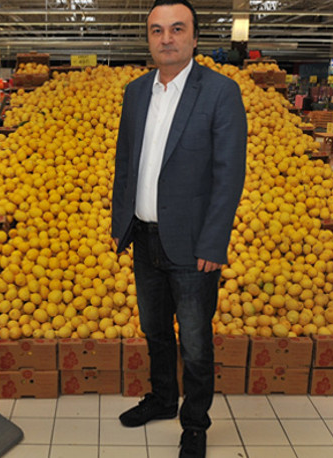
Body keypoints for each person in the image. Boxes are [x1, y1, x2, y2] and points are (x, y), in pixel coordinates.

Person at [110, 1, 247, 457]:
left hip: (192, 245)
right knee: (154, 329)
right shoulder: (134, 92)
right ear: (147, 38)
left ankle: (195, 423)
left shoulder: (220, 92)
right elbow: (125, 163)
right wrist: (120, 222)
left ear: (193, 37)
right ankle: (163, 399)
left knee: (194, 338)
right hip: (144, 236)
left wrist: (214, 241)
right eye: (156, 30)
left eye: (176, 28)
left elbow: (229, 174)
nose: (165, 38)